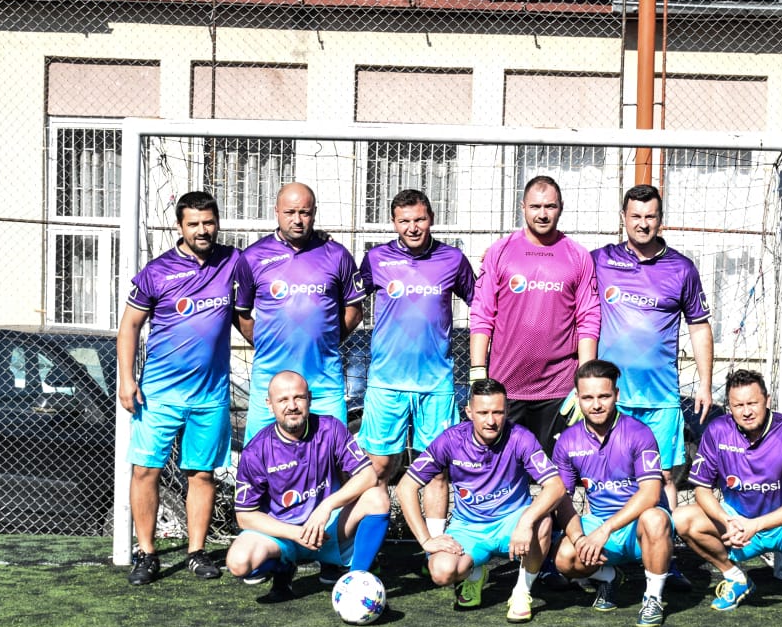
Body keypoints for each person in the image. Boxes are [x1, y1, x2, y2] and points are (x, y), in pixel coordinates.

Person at [118, 190, 250, 586]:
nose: (202, 230)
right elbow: (129, 327)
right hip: (159, 394)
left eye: (209, 222)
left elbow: (264, 268)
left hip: (210, 395)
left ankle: (196, 551)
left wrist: (318, 241)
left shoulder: (233, 262)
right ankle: (146, 553)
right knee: (146, 470)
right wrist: (127, 379)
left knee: (202, 474)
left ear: (218, 223)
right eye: (194, 224)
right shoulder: (156, 271)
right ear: (180, 226)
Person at [396, 376, 565, 623]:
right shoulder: (450, 440)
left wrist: (526, 521)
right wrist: (426, 540)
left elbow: (556, 486)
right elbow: (405, 487)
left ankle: (522, 591)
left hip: (511, 524)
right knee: (441, 572)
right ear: (469, 412)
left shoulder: (521, 437)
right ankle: (474, 574)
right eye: (483, 412)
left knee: (542, 522)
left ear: (507, 411)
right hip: (469, 529)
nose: (491, 420)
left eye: (498, 412)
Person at [592, 184, 713, 512]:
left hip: (660, 396)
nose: (642, 224)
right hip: (611, 395)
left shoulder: (682, 269)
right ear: (623, 217)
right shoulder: (601, 260)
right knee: (608, 473)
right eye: (636, 216)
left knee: (663, 476)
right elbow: (563, 271)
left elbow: (699, 327)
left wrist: (704, 384)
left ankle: (664, 543)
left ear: (660, 219)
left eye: (650, 217)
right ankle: (609, 540)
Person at [674, 369, 782, 619]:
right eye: (738, 405)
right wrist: (726, 520)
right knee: (682, 519)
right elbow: (702, 489)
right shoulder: (717, 431)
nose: (746, 411)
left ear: (767, 400)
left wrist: (756, 525)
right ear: (730, 406)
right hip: (736, 521)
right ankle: (736, 578)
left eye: (752, 403)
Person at [224, 371, 390, 598]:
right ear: (270, 405)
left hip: (328, 528)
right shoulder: (256, 451)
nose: (292, 406)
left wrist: (326, 506)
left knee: (377, 497)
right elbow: (245, 516)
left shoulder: (330, 428)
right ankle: (283, 566)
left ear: (309, 399)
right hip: (283, 535)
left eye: (299, 397)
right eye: (283, 400)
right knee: (239, 562)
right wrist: (295, 533)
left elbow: (368, 476)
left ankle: (356, 581)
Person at [468, 175, 600, 453]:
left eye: (550, 206)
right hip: (505, 387)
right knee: (501, 467)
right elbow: (482, 314)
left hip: (559, 390)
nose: (542, 214)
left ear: (561, 207)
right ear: (523, 207)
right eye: (535, 206)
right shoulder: (500, 251)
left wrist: (585, 381)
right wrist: (478, 372)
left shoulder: (578, 256)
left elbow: (588, 319)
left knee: (557, 471)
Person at [356, 188, 476, 493]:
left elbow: (481, 305)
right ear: (394, 223)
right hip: (386, 382)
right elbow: (349, 301)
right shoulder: (376, 259)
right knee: (378, 468)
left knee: (436, 471)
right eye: (404, 221)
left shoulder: (453, 259)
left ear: (431, 218)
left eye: (419, 219)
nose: (412, 227)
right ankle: (370, 524)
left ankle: (433, 527)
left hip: (435, 383)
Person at [237, 182, 365, 441]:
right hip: (269, 382)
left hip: (324, 384)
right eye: (290, 212)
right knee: (259, 457)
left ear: (314, 212)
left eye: (304, 212)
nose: (297, 220)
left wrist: (326, 340)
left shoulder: (337, 255)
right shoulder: (252, 257)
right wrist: (264, 341)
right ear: (276, 211)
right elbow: (240, 312)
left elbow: (354, 310)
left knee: (332, 455)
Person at [550, 360, 672, 627]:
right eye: (588, 398)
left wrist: (605, 530)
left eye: (603, 396)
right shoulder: (567, 441)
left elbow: (651, 494)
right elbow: (562, 498)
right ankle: (609, 577)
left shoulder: (639, 433)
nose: (596, 405)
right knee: (564, 557)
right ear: (577, 398)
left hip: (639, 527)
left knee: (655, 518)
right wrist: (579, 538)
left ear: (616, 395)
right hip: (600, 524)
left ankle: (653, 598)